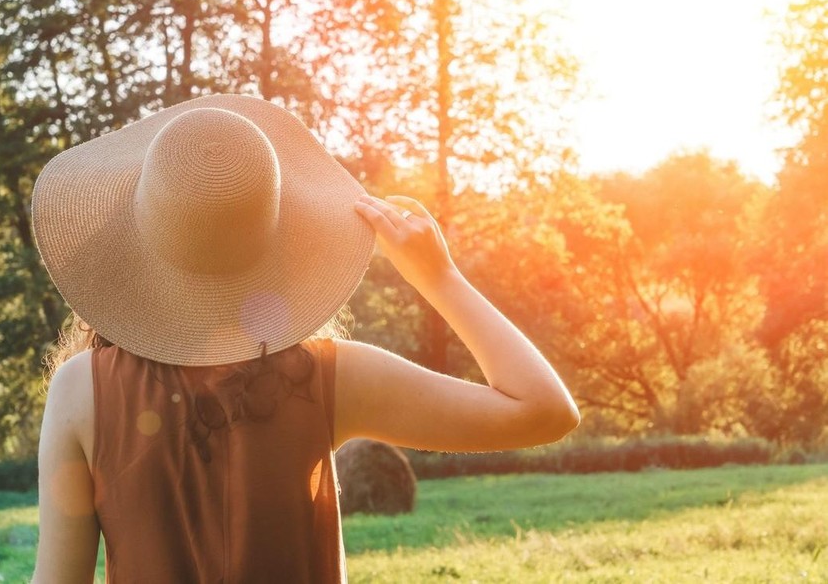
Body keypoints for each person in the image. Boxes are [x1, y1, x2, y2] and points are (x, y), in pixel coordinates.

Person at [30, 95, 579, 583]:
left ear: (132, 241)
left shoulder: (81, 391)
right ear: (283, 236)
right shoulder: (327, 379)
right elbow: (544, 409)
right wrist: (439, 278)